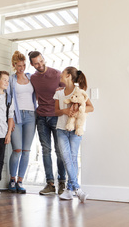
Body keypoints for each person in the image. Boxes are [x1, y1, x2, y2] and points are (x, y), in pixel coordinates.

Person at [29, 51, 66, 195]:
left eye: (41, 61)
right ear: (32, 64)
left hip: (56, 116)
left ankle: (62, 182)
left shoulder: (57, 74)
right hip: (41, 118)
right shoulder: (33, 78)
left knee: (60, 151)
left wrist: (62, 90)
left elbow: (70, 90)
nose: (40, 65)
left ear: (44, 59)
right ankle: (50, 184)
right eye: (36, 63)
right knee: (46, 151)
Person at [54, 66, 94, 202]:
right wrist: (65, 111)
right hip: (61, 129)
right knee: (66, 157)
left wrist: (78, 110)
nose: (60, 75)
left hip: (76, 129)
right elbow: (56, 111)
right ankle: (77, 189)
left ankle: (70, 189)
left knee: (72, 157)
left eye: (63, 73)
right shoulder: (59, 93)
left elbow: (91, 107)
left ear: (69, 76)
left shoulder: (79, 92)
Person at [7, 51, 37, 194]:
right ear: (14, 65)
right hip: (16, 116)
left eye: (24, 65)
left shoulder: (31, 78)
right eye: (19, 66)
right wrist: (9, 120)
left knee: (26, 151)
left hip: (31, 116)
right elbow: (8, 100)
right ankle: (12, 180)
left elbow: (42, 89)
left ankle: (20, 181)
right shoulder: (11, 80)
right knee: (17, 150)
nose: (22, 68)